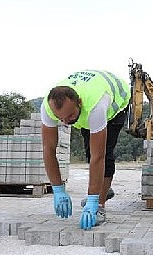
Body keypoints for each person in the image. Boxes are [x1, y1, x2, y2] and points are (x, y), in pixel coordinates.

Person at [41, 69, 131, 230]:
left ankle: (100, 205)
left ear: (79, 102)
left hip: (117, 103)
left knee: (103, 152)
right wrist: (58, 189)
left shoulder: (96, 106)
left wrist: (92, 202)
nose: (66, 122)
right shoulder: (48, 108)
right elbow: (48, 150)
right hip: (88, 104)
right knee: (89, 151)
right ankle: (102, 188)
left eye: (69, 116)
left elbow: (99, 157)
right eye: (60, 118)